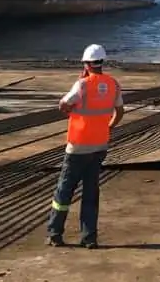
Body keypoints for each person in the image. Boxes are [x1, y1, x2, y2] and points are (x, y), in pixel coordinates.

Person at [46, 44, 124, 249]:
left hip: (78, 146)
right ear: (102, 63)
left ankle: (55, 233)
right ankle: (89, 237)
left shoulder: (82, 85)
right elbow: (120, 111)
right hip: (99, 145)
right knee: (91, 191)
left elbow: (63, 105)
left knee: (64, 191)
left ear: (87, 64)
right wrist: (108, 127)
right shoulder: (113, 84)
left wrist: (71, 110)